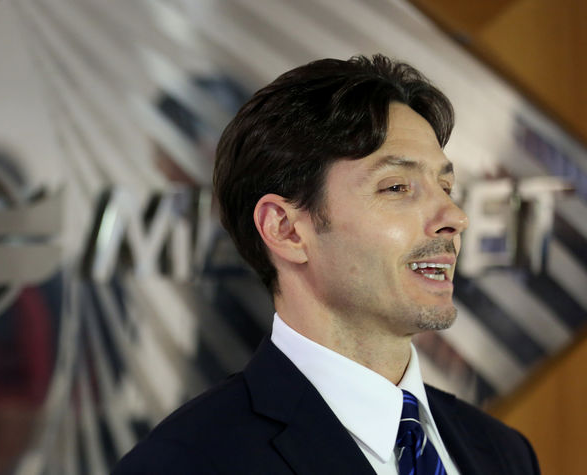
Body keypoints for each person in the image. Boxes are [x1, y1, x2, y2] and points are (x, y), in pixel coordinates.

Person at [112, 55, 540, 474]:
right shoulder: (184, 463)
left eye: (446, 186)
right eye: (396, 187)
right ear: (285, 229)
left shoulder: (503, 452)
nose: (454, 217)